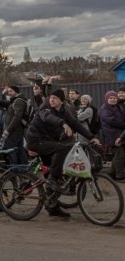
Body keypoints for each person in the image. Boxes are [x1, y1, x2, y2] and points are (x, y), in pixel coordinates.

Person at [26, 89, 100, 217]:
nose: (51, 100)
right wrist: (63, 124)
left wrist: (91, 137)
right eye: (51, 98)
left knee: (54, 170)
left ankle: (52, 207)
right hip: (36, 140)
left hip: (47, 141)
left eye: (55, 98)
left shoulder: (63, 111)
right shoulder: (46, 108)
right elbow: (47, 117)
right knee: (61, 150)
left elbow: (76, 124)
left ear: (61, 100)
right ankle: (52, 179)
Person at [0, 85, 28, 164]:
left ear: (16, 92)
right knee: (20, 150)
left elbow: (17, 117)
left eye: (11, 91)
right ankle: (23, 170)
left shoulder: (18, 101)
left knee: (12, 151)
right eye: (8, 91)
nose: (9, 93)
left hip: (14, 132)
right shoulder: (15, 101)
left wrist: (8, 130)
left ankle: (15, 171)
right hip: (16, 131)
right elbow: (5, 103)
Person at [99, 91, 125, 182]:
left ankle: (111, 173)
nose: (113, 100)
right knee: (120, 155)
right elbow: (113, 121)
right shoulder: (104, 109)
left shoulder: (118, 107)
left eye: (114, 98)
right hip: (111, 136)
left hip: (119, 135)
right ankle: (120, 176)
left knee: (118, 155)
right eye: (111, 98)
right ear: (107, 99)